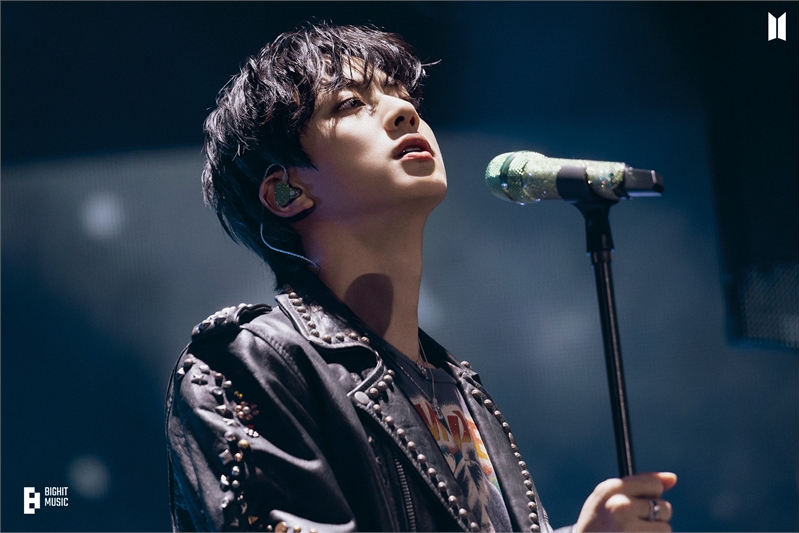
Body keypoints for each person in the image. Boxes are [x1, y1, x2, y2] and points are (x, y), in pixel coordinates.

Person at [165, 22, 676, 533]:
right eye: (350, 103)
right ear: (285, 193)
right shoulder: (246, 363)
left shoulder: (459, 387)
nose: (404, 111)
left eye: (403, 96)